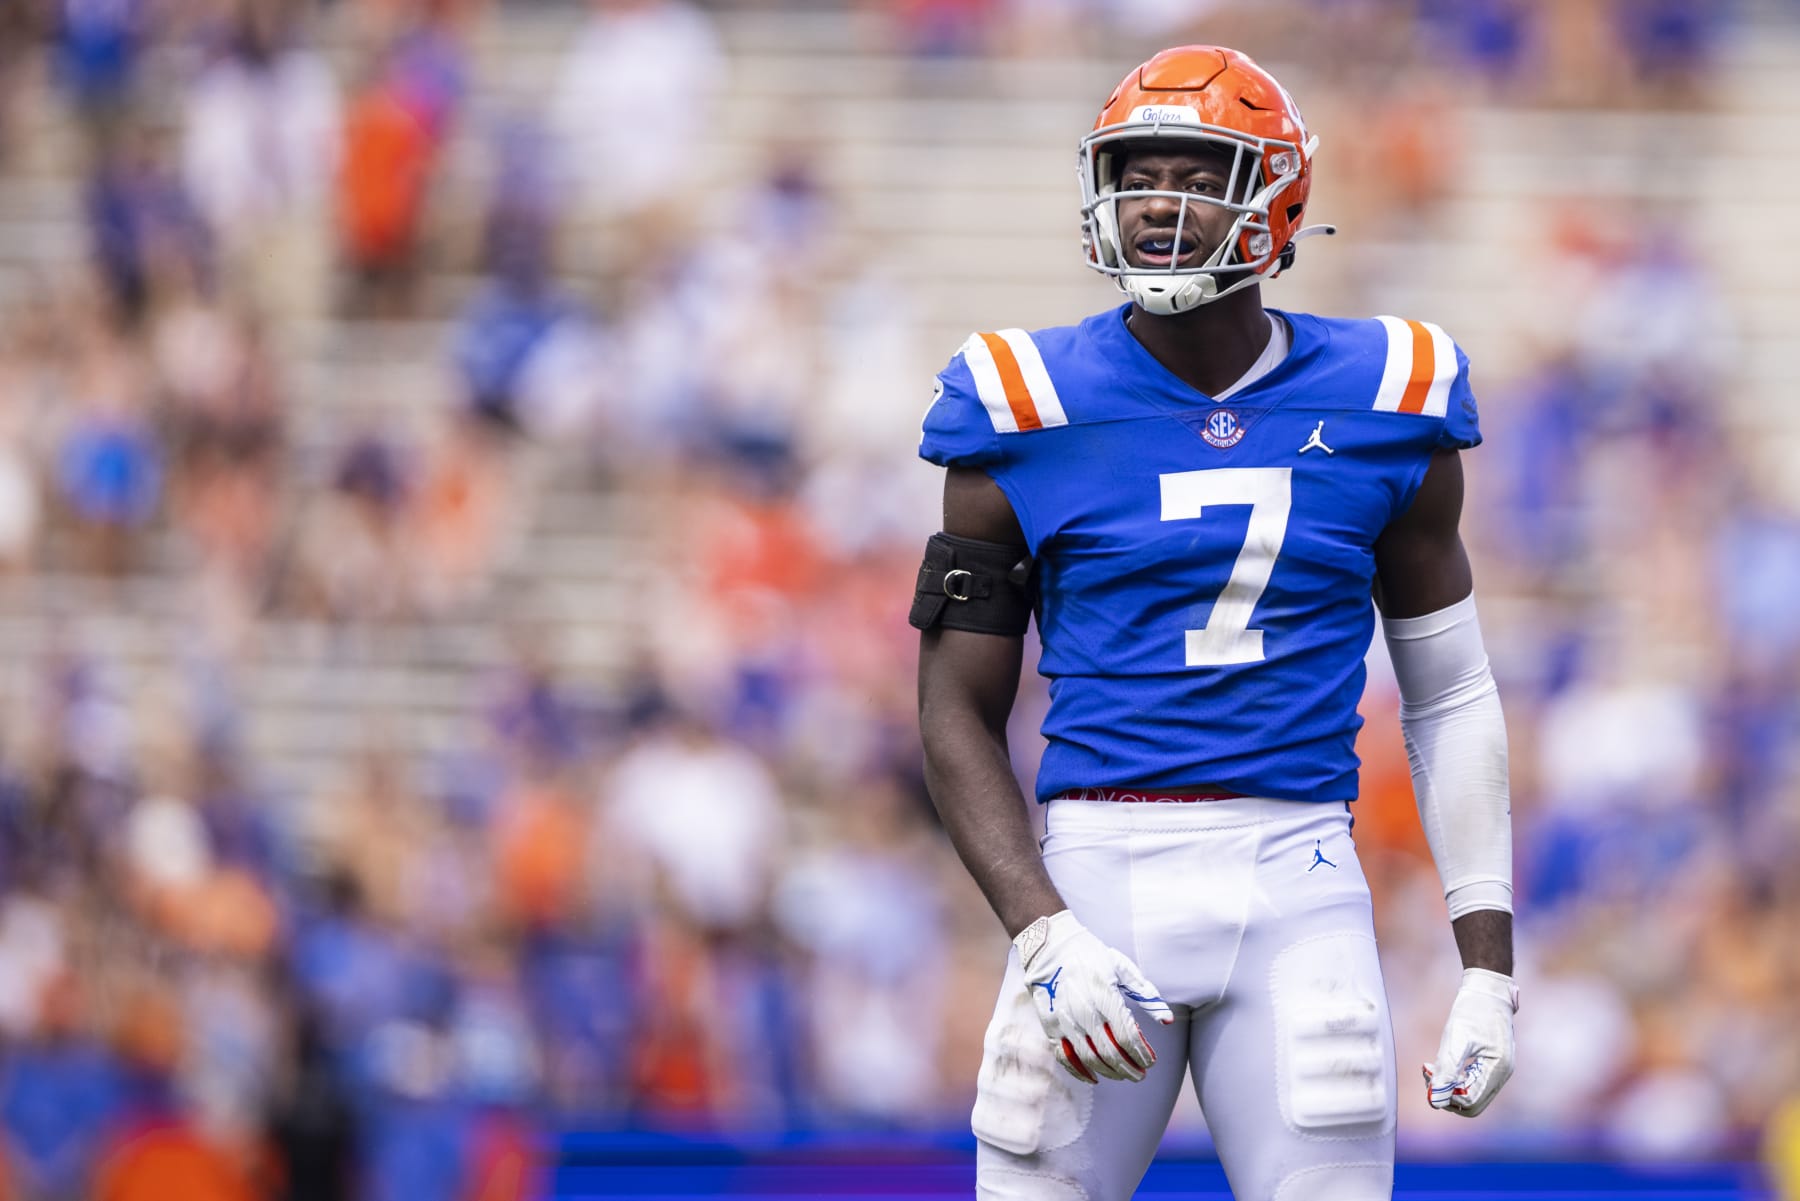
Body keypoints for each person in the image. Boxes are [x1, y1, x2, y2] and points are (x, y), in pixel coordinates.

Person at [912, 46, 1517, 1201]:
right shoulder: (1018, 402)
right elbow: (954, 708)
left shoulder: (1392, 394)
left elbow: (1451, 692)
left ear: (1276, 194)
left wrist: (1486, 965)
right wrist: (1042, 930)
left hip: (1298, 873)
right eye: (1137, 172)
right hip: (1096, 878)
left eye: (1196, 170)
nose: (1156, 201)